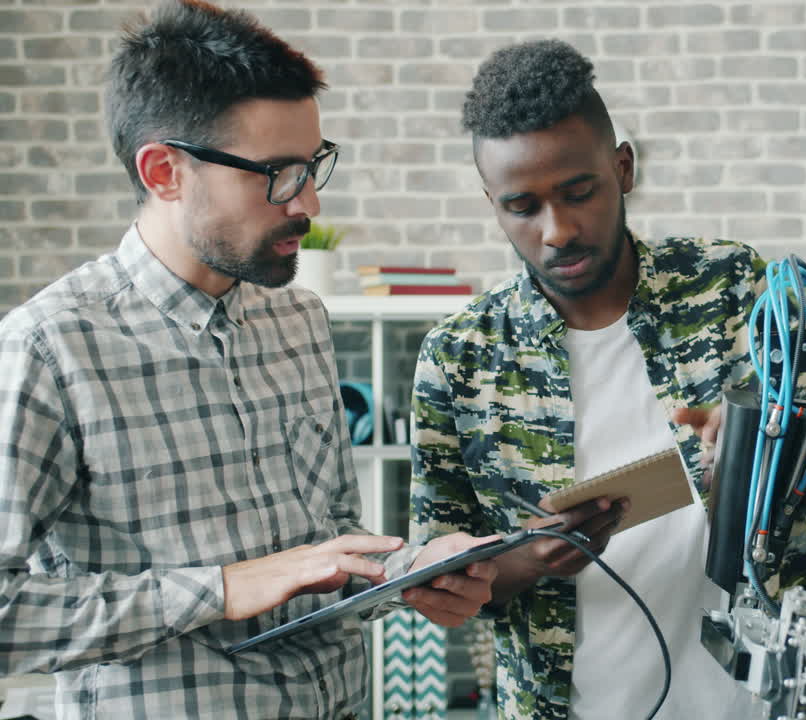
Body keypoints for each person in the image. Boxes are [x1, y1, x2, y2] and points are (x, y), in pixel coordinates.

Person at [0, 2, 496, 717]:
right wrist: (224, 588)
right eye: (277, 174)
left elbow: (323, 541)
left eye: (313, 166)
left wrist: (406, 570)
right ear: (164, 171)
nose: (309, 203)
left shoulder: (298, 319)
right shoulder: (48, 348)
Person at [408, 39, 806, 720]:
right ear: (492, 203)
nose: (559, 230)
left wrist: (753, 460)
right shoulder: (460, 358)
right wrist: (534, 558)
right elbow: (442, 581)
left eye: (580, 193)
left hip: (768, 701)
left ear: (623, 168)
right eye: (522, 206)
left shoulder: (731, 288)